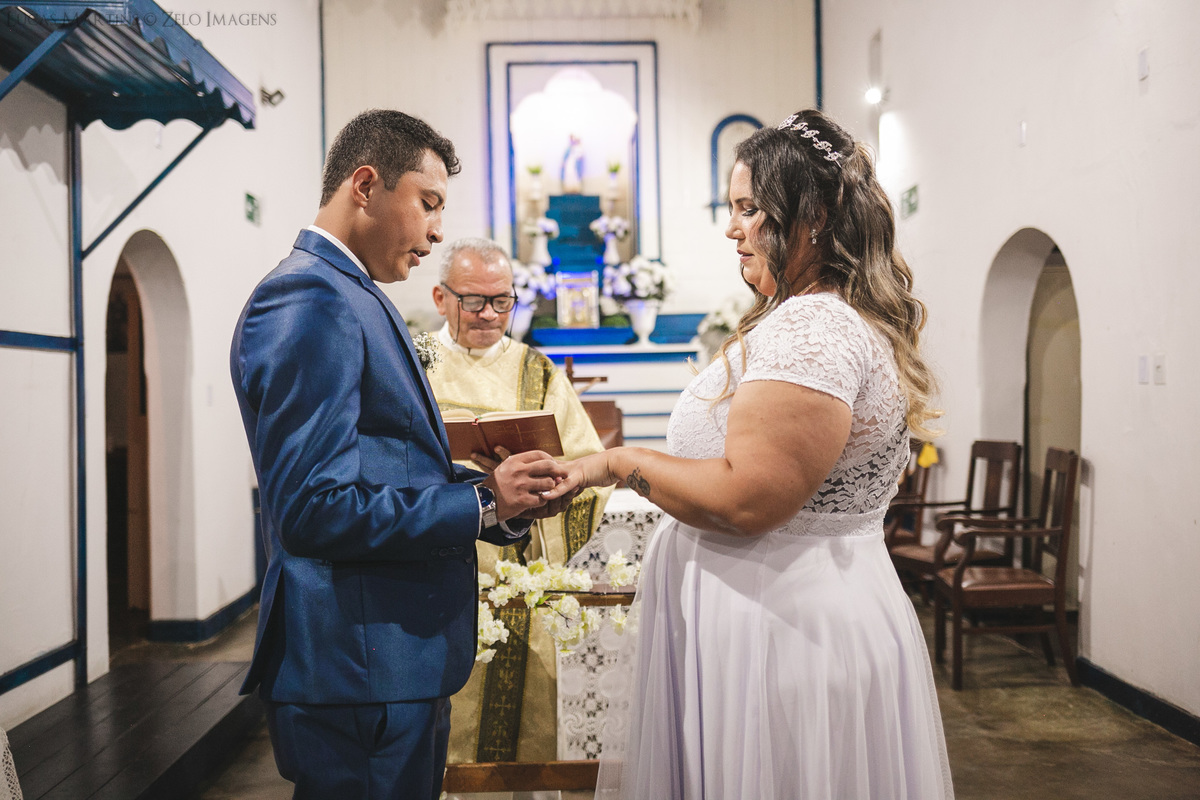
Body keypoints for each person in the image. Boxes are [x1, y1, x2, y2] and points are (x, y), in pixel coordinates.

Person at [544, 109, 953, 798]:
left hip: (781, 628)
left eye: (747, 209)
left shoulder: (813, 326)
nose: (732, 227)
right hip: (787, 607)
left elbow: (748, 499)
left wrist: (615, 463)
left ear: (813, 216)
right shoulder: (822, 315)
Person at [229, 110, 567, 800]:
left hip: (384, 664)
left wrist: (497, 496)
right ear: (365, 185)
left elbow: (384, 464)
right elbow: (313, 510)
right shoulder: (308, 297)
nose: (437, 230)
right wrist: (480, 500)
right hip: (357, 666)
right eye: (429, 203)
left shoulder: (352, 293)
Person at [425, 237, 614, 765]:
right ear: (442, 298)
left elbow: (588, 470)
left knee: (520, 734)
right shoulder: (413, 361)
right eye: (474, 301)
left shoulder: (539, 372)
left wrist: (542, 490)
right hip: (433, 563)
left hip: (516, 567)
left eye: (502, 301)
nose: (490, 315)